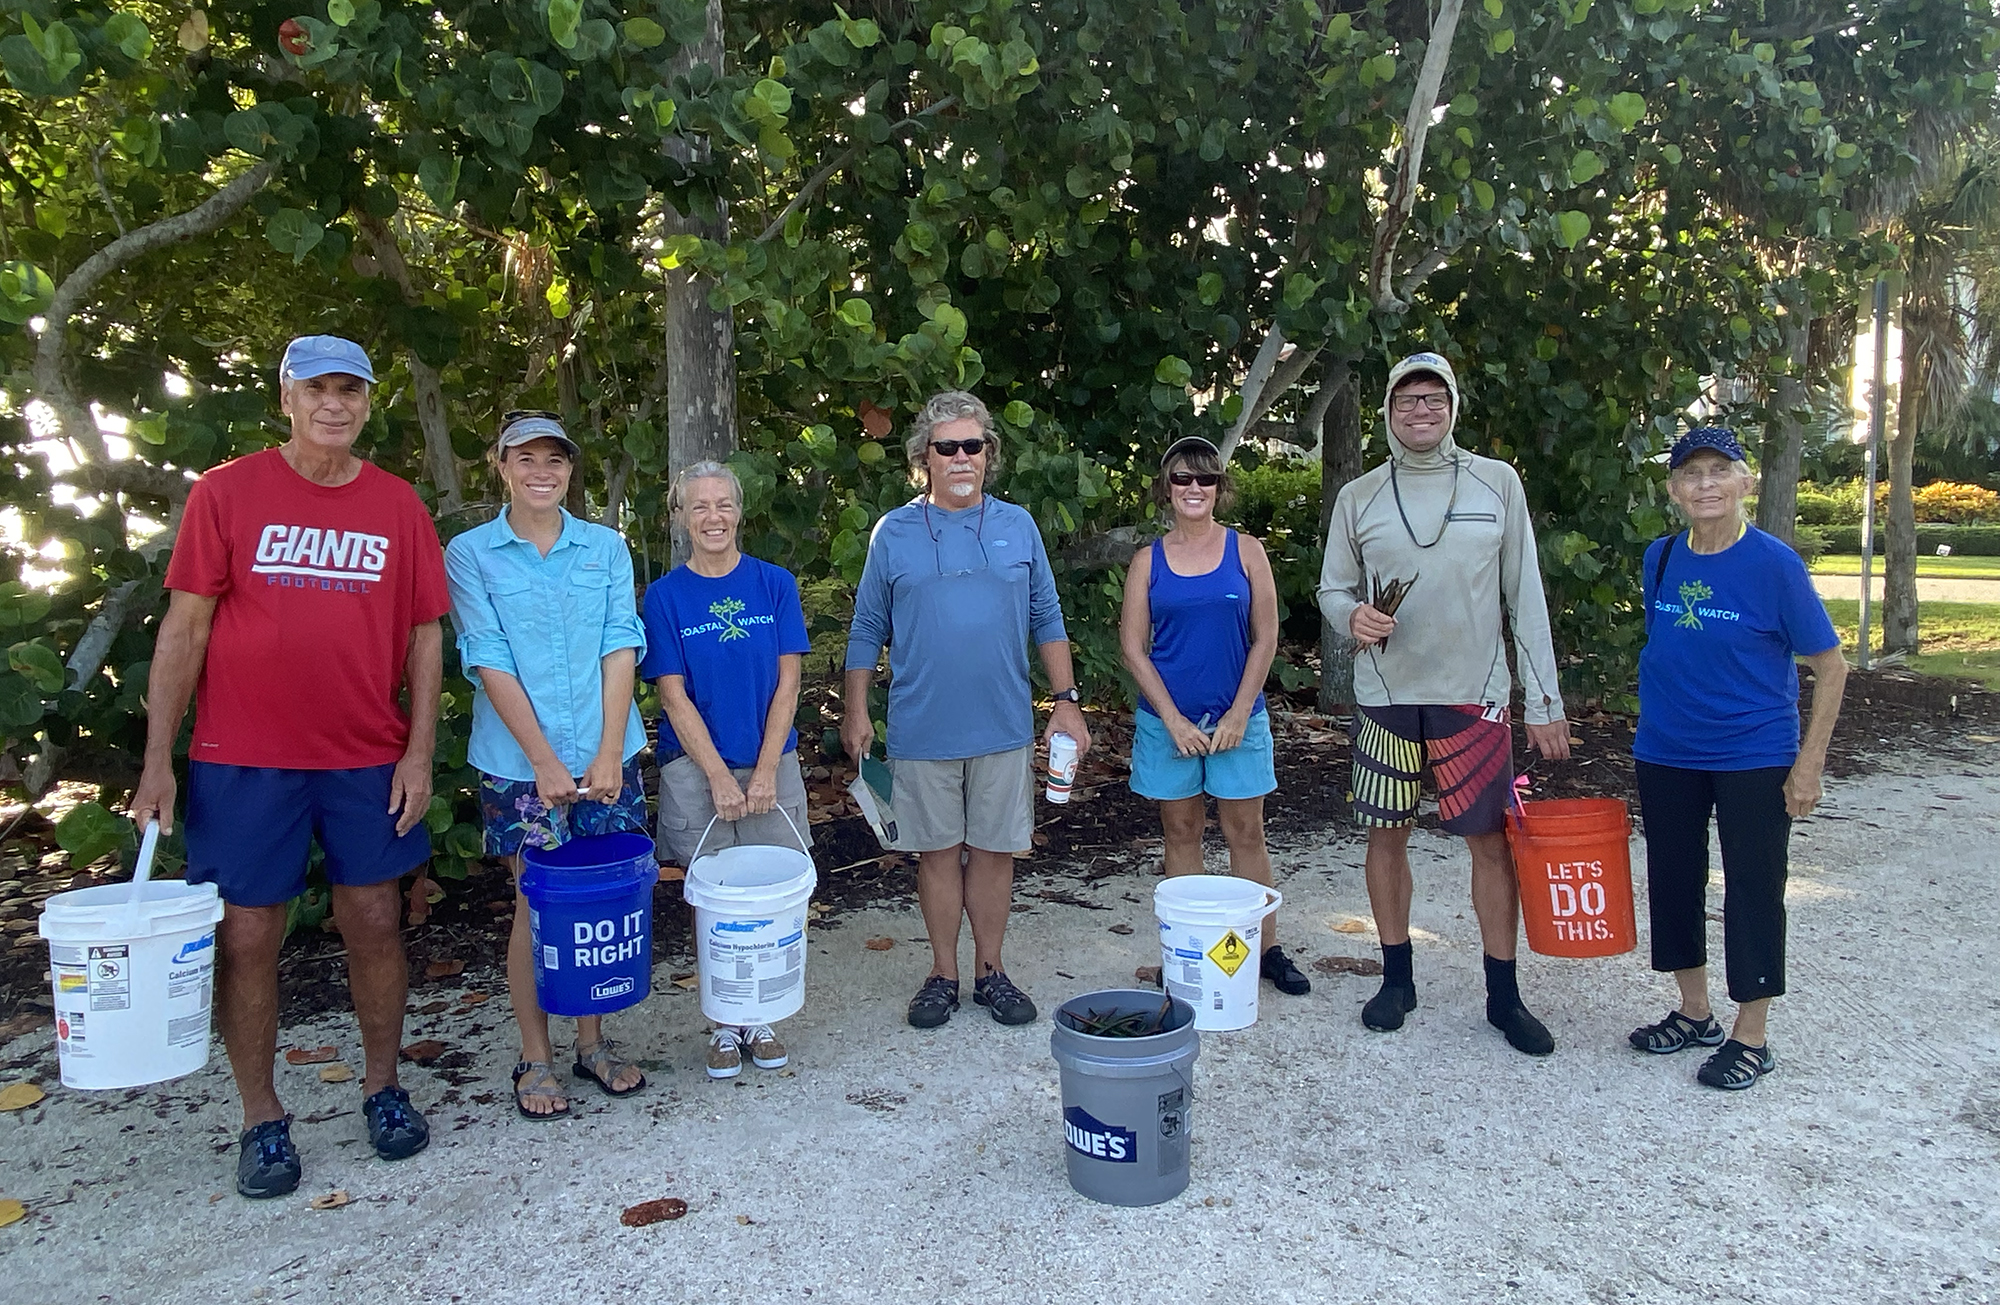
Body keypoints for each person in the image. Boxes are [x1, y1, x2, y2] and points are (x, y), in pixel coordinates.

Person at [129, 335, 447, 1198]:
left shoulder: (396, 504)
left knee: (376, 921)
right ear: (287, 397)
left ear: (370, 401)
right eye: (318, 389)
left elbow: (425, 634)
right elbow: (184, 631)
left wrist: (418, 748)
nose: (333, 404)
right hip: (244, 759)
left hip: (363, 755)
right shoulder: (227, 494)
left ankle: (383, 1088)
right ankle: (262, 1118)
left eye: (350, 389)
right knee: (248, 935)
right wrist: (157, 760)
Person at [1317, 351, 1573, 1056]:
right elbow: (1332, 588)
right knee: (1384, 835)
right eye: (1408, 400)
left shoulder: (1497, 483)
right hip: (1387, 696)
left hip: (1475, 698)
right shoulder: (1360, 495)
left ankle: (1503, 993)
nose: (1421, 411)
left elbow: (1525, 595)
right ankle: (1396, 977)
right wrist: (1352, 618)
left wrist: (1543, 698)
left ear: (1453, 405)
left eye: (1434, 399)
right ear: (1389, 412)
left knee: (1489, 842)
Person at [843, 390, 1091, 1030]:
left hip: (1003, 723)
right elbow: (867, 624)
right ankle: (942, 974)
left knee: (994, 850)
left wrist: (1065, 702)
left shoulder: (1019, 526)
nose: (960, 457)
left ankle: (991, 970)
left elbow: (1047, 617)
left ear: (989, 455)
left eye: (972, 446)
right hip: (922, 725)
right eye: (945, 446)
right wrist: (857, 709)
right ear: (923, 457)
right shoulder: (893, 531)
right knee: (935, 852)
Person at [444, 411, 651, 1119]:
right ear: (500, 465)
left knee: (601, 901)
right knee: (535, 905)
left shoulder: (605, 548)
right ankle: (536, 1057)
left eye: (554, 459)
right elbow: (486, 654)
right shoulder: (472, 553)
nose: (541, 471)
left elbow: (621, 643)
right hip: (517, 763)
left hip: (607, 752)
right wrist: (542, 761)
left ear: (569, 469)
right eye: (525, 458)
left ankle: (592, 1043)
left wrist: (607, 749)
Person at [1628, 426, 1847, 1090]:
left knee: (1752, 888)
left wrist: (1808, 763)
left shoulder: (1776, 565)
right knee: (1672, 878)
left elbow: (1831, 668)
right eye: (1691, 475)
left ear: (1745, 481)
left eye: (1719, 471)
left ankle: (1751, 1033)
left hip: (1753, 751)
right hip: (1667, 749)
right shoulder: (1660, 558)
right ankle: (1694, 1009)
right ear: (1673, 490)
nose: (1705, 485)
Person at [640, 460, 813, 1079]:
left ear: (740, 512)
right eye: (698, 507)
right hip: (694, 766)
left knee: (769, 893)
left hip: (772, 757)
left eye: (723, 505)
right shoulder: (663, 597)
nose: (712, 518)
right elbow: (672, 693)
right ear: (681, 517)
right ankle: (722, 1023)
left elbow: (788, 683)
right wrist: (715, 775)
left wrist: (765, 770)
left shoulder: (774, 585)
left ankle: (761, 1014)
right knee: (712, 898)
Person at [1119, 435, 1310, 996]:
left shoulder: (1246, 551)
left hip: (1237, 719)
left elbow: (1266, 636)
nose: (1194, 488)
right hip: (1167, 722)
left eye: (1205, 478)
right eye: (1182, 478)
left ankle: (1265, 949)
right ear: (1166, 489)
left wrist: (1240, 711)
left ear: (1220, 488)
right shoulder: (1147, 561)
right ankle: (1190, 949)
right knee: (1180, 830)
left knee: (1245, 830)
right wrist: (1172, 719)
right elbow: (1133, 647)